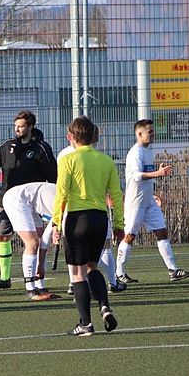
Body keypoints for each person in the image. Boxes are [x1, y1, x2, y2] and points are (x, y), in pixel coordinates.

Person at [51, 116, 124, 336]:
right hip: (100, 219)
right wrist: (119, 224)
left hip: (77, 220)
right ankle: (105, 307)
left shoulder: (68, 160)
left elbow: (61, 194)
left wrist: (56, 223)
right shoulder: (106, 161)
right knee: (93, 267)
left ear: (71, 137)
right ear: (93, 136)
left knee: (77, 273)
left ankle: (85, 324)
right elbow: (116, 195)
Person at [0, 110, 57, 292]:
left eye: (21, 126)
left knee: (36, 240)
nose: (17, 129)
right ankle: (4, 278)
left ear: (30, 126)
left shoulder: (41, 148)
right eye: (16, 126)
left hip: (31, 203)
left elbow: (53, 175)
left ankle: (37, 281)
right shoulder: (8, 146)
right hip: (8, 199)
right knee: (2, 236)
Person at [115, 119, 189, 284]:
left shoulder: (147, 151)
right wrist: (158, 174)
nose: (153, 134)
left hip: (148, 202)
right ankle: (119, 273)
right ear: (139, 134)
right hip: (135, 203)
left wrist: (151, 195)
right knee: (129, 236)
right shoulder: (135, 153)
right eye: (149, 132)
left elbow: (146, 177)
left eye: (153, 131)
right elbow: (136, 176)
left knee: (162, 232)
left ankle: (173, 270)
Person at [1, 181, 60, 301]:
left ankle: (40, 287)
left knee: (38, 237)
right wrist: (40, 265)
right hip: (16, 199)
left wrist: (41, 265)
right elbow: (46, 240)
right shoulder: (65, 207)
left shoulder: (70, 204)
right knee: (32, 242)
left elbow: (44, 239)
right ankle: (31, 290)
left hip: (29, 202)